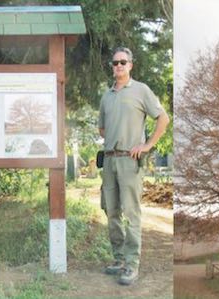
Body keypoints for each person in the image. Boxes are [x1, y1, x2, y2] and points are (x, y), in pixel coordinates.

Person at [98, 47, 169, 285]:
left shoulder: (141, 90)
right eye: (115, 62)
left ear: (130, 65)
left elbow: (163, 118)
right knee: (111, 211)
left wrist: (147, 145)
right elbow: (102, 127)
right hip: (109, 160)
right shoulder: (107, 95)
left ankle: (131, 265)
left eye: (123, 62)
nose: (118, 65)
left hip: (130, 160)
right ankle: (118, 259)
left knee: (131, 213)